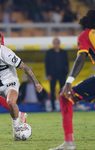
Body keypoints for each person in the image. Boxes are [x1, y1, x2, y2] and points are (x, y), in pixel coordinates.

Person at [49, 10, 95, 150]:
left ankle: (69, 143)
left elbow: (81, 57)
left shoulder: (86, 35)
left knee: (65, 96)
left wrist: (69, 80)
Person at [45, 37, 69, 111]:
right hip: (52, 74)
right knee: (52, 91)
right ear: (53, 44)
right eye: (55, 43)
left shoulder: (63, 52)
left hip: (62, 74)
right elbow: (47, 64)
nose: (56, 44)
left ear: (59, 43)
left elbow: (66, 63)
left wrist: (66, 72)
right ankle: (53, 108)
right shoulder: (49, 52)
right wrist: (48, 74)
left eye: (57, 43)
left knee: (63, 91)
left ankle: (64, 107)